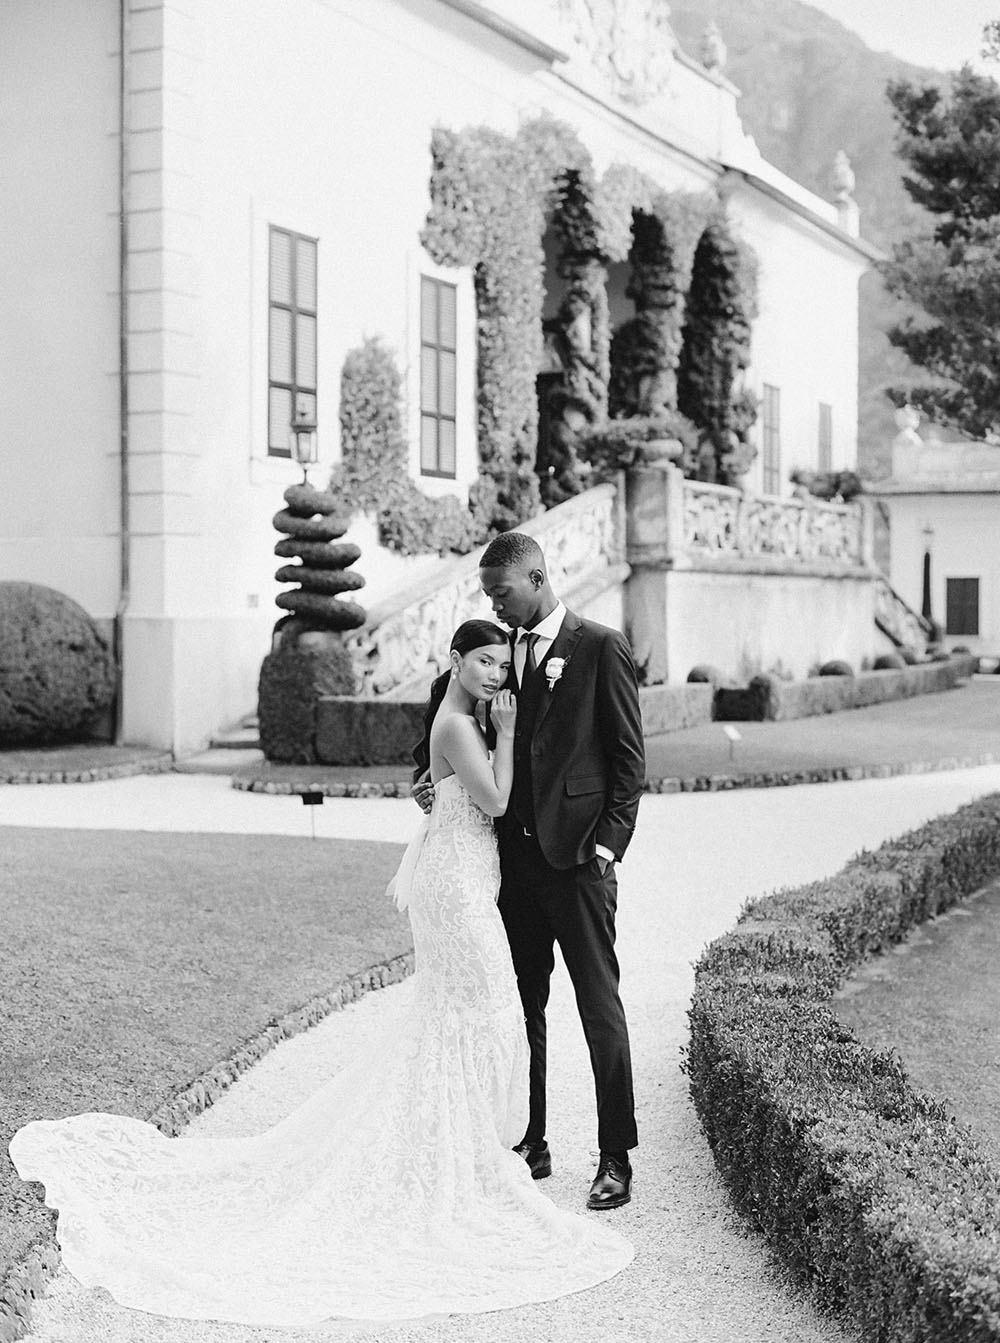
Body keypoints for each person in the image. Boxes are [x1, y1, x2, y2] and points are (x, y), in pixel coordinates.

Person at [9, 619, 632, 1328]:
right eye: (484, 661)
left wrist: (465, 766)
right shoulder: (463, 721)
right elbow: (491, 799)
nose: (497, 672)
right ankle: (456, 1154)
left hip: (466, 875)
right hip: (457, 890)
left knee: (462, 1017)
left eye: (500, 662)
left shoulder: (469, 713)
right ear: (456, 661)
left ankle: (462, 1145)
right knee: (482, 1012)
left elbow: (454, 789)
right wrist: (512, 735)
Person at [417, 535, 645, 1212]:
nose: (493, 602)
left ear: (538, 576)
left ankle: (615, 1156)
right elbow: (441, 728)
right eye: (489, 594)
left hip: (579, 865)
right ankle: (531, 1140)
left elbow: (629, 762)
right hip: (508, 868)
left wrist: (607, 848)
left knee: (599, 1008)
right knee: (523, 1010)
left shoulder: (601, 646)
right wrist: (426, 786)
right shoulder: (495, 651)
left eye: (502, 590)